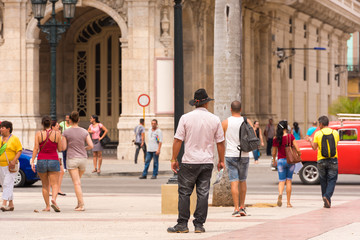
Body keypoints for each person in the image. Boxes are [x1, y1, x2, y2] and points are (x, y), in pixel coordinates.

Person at [167, 88, 225, 234]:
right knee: (203, 193)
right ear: (206, 104)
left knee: (185, 193)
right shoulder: (215, 119)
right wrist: (221, 161)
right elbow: (220, 143)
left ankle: (182, 224)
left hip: (189, 162)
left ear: (195, 103)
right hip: (206, 162)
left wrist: (174, 159)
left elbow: (177, 140)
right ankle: (199, 225)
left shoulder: (185, 118)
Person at [222, 101, 254, 217]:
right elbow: (253, 135)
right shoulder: (247, 121)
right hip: (244, 154)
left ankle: (235, 209)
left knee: (234, 181)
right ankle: (242, 207)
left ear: (231, 109)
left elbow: (220, 139)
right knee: (243, 180)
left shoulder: (225, 122)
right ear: (241, 109)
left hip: (230, 154)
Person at [31, 116, 63, 212]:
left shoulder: (38, 134)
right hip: (53, 159)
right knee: (55, 184)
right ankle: (54, 198)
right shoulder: (57, 134)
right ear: (50, 124)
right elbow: (60, 149)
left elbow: (36, 148)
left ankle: (47, 206)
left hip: (41, 160)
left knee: (45, 185)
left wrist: (32, 161)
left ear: (42, 124)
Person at [63, 111, 94, 211]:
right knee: (78, 182)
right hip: (83, 158)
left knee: (76, 183)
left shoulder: (66, 132)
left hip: (72, 158)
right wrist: (84, 148)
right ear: (79, 120)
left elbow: (63, 147)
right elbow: (91, 145)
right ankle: (78, 203)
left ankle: (81, 205)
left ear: (70, 120)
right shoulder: (84, 131)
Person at [307, 116, 339, 208]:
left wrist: (310, 141)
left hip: (321, 160)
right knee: (332, 179)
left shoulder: (318, 134)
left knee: (323, 180)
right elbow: (336, 145)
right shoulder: (335, 132)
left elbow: (314, 148)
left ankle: (325, 198)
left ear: (321, 124)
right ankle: (327, 197)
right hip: (333, 159)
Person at [272, 120, 301, 208]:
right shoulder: (290, 137)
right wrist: (299, 155)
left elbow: (274, 152)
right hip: (290, 161)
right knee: (289, 181)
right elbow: (298, 149)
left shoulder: (276, 138)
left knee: (281, 181)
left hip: (280, 161)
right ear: (286, 127)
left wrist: (274, 160)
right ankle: (288, 203)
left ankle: (280, 194)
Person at [0, 121, 22, 211]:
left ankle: (4, 203)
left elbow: (19, 150)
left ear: (8, 129)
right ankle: (11, 203)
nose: (1, 129)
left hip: (11, 165)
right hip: (1, 165)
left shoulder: (14, 139)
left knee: (7, 183)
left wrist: (13, 161)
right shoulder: (0, 139)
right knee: (5, 185)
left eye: (3, 127)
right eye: (1, 127)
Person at [51, 121, 66, 196]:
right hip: (54, 154)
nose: (58, 127)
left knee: (61, 171)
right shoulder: (52, 134)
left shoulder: (58, 134)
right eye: (57, 126)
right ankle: (54, 189)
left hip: (58, 154)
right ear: (52, 127)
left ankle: (58, 189)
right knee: (55, 172)